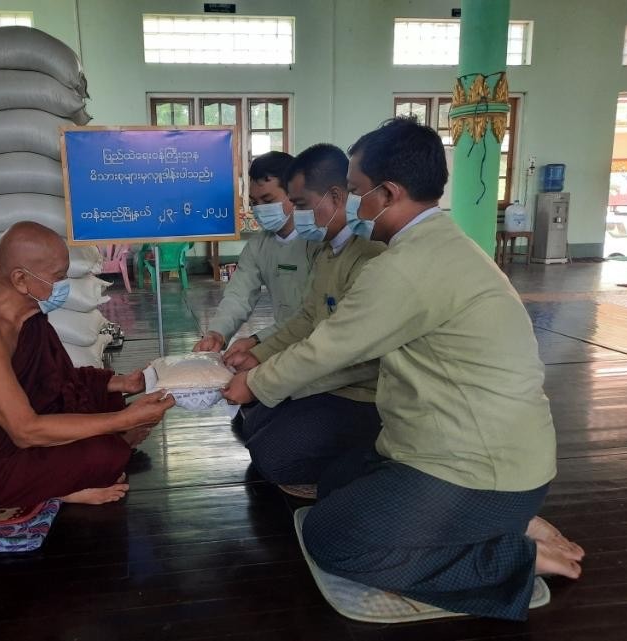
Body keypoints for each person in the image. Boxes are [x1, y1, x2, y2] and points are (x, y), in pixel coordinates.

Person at [222, 118, 583, 620]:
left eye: (355, 191)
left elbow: (329, 347)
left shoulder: (403, 266)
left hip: (479, 466)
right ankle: (501, 521)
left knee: (333, 538)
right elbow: (314, 324)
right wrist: (259, 362)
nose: (352, 203)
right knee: (337, 481)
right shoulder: (436, 245)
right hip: (445, 446)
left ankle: (510, 557)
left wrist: (257, 382)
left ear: (389, 193)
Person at [0, 222, 175, 509]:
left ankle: (79, 463)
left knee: (108, 400)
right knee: (107, 454)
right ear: (20, 279)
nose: (64, 285)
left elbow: (53, 379)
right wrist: (124, 421)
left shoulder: (26, 312)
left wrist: (123, 383)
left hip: (12, 422)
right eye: (59, 277)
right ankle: (58, 489)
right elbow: (25, 431)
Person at [222, 143, 385, 488]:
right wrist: (256, 353)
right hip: (320, 370)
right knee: (253, 424)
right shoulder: (329, 251)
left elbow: (335, 346)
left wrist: (258, 380)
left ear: (337, 196)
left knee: (273, 455)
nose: (297, 216)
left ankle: (377, 462)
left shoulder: (369, 256)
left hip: (361, 391)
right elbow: (307, 317)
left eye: (300, 205)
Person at [193, 152, 317, 357]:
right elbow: (238, 295)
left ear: (295, 194)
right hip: (283, 346)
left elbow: (312, 313)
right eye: (254, 202)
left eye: (268, 200)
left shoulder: (318, 241)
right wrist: (217, 333)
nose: (260, 209)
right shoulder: (258, 246)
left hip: (319, 343)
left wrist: (257, 340)